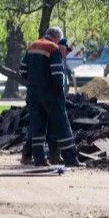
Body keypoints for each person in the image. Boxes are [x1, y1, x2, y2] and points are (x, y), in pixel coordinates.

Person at [21, 26, 83, 167]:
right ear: (56, 37)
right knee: (62, 124)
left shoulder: (32, 46)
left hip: (32, 92)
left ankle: (39, 159)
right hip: (49, 93)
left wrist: (33, 82)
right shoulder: (52, 48)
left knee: (38, 126)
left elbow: (22, 70)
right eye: (60, 40)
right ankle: (71, 160)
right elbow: (57, 75)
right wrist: (59, 94)